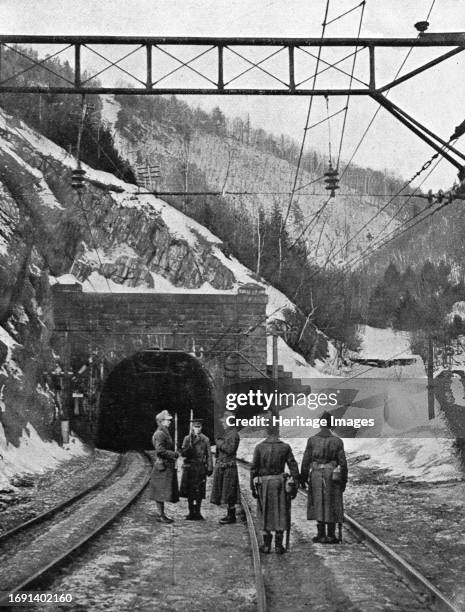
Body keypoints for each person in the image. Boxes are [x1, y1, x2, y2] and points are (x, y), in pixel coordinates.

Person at [300, 411, 348, 544]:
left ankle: (320, 534)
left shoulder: (312, 440)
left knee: (318, 502)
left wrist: (302, 478)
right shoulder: (337, 441)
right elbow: (343, 463)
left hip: (315, 474)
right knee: (331, 503)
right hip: (332, 475)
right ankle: (331, 535)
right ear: (331, 425)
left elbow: (305, 461)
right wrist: (343, 481)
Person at [250, 427, 299, 554]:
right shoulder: (285, 447)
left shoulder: (259, 447)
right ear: (278, 432)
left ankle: (266, 545)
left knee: (264, 512)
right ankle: (278, 546)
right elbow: (293, 466)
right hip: (279, 484)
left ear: (266, 432)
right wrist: (295, 487)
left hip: (264, 484)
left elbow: (254, 469)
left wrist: (252, 488)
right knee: (280, 512)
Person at [148, 410, 179, 524]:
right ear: (161, 421)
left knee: (161, 491)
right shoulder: (160, 433)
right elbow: (160, 450)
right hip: (162, 466)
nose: (170, 422)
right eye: (168, 420)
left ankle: (162, 514)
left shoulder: (163, 432)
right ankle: (161, 515)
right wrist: (173, 454)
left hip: (165, 465)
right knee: (160, 491)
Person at [180, 418, 213, 520]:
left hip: (200, 468)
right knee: (189, 491)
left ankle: (198, 512)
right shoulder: (187, 438)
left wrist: (210, 467)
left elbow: (209, 455)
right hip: (190, 467)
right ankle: (190, 512)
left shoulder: (205, 439)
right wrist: (188, 447)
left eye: (199, 427)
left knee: (199, 491)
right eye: (195, 427)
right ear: (192, 427)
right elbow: (183, 454)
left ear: (201, 427)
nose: (197, 429)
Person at [210, 411, 240, 524]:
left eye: (224, 421)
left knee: (230, 492)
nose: (222, 423)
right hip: (225, 466)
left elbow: (230, 449)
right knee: (227, 492)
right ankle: (230, 515)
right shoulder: (228, 433)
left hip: (229, 467)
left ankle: (231, 516)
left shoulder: (233, 434)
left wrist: (219, 443)